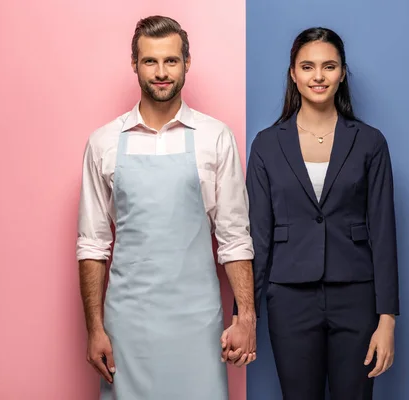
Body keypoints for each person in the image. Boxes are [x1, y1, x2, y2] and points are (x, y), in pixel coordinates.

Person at [76, 15, 257, 400]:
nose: (161, 72)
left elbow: (234, 237)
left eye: (171, 61)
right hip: (127, 326)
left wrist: (246, 318)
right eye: (150, 61)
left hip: (198, 323)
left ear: (186, 63)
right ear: (135, 64)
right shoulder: (104, 142)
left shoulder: (215, 137)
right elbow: (92, 244)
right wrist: (95, 328)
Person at [245, 27, 400, 399]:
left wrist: (387, 320)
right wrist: (244, 313)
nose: (318, 76)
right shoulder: (267, 144)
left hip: (357, 298)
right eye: (308, 66)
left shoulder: (370, 142)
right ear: (293, 74)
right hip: (289, 299)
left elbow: (383, 232)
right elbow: (258, 235)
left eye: (329, 66)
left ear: (342, 73)